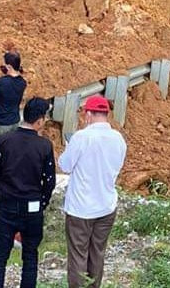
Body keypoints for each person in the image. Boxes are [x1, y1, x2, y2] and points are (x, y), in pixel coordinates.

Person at [58, 95, 127, 288]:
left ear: (88, 114)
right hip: (106, 206)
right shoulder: (118, 138)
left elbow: (65, 166)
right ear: (106, 114)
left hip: (81, 209)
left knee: (78, 256)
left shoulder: (82, 137)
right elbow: (118, 166)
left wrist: (67, 149)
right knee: (97, 253)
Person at [0, 96, 56, 288]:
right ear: (40, 120)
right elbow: (49, 181)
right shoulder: (44, 146)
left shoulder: (5, 140)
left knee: (0, 256)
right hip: (33, 207)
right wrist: (42, 202)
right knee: (30, 256)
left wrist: (1, 194)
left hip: (8, 205)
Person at [0, 51, 27, 152]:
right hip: (14, 120)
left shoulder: (3, 82)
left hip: (0, 123)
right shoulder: (22, 82)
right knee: (11, 150)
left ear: (9, 67)